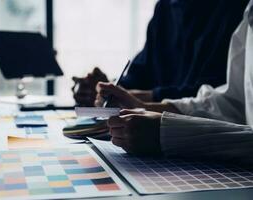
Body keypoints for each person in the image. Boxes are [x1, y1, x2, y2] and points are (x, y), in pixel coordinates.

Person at [105, 0, 253, 166]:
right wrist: (143, 106)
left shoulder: (233, 8)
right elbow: (233, 102)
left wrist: (168, 133)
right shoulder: (249, 11)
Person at [72, 0, 248, 107]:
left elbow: (216, 96)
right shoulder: (165, 7)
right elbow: (140, 75)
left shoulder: (235, 9)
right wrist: (106, 88)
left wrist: (133, 96)